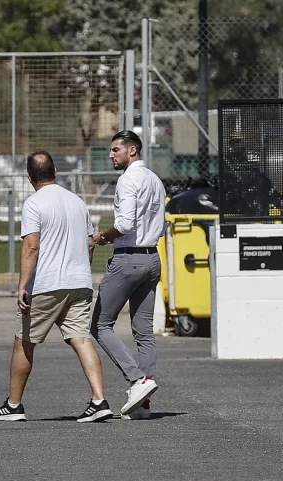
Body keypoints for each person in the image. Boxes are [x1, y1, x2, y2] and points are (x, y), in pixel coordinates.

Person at [0, 151, 113, 423]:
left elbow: (31, 246)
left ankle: (13, 405)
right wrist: (82, 269)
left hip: (47, 285)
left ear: (29, 176)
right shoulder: (78, 202)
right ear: (55, 172)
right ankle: (99, 399)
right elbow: (90, 242)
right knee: (81, 339)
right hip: (80, 283)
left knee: (24, 341)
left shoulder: (34, 203)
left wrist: (23, 285)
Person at [91, 130, 166, 420]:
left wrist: (103, 237)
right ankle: (143, 405)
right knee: (144, 331)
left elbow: (123, 224)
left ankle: (138, 381)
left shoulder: (128, 179)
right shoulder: (155, 180)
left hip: (128, 258)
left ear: (131, 151)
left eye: (115, 150)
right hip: (152, 258)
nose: (111, 155)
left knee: (99, 324)